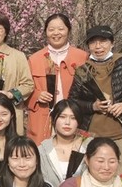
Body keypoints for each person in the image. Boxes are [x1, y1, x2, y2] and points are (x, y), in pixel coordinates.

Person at [69, 25, 122, 184]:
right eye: (93, 42)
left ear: (112, 43)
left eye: (103, 41)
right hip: (92, 135)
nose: (98, 46)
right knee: (93, 183)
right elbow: (73, 101)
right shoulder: (83, 71)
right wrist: (93, 106)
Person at [26, 13, 88, 144]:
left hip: (74, 120)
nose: (56, 33)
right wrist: (37, 95)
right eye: (51, 29)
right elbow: (24, 90)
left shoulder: (82, 57)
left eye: (61, 29)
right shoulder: (34, 59)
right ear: (45, 32)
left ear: (68, 31)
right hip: (42, 120)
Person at [38, 100, 89, 187]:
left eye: (73, 118)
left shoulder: (89, 147)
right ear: (54, 119)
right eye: (62, 117)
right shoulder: (42, 151)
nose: (67, 122)